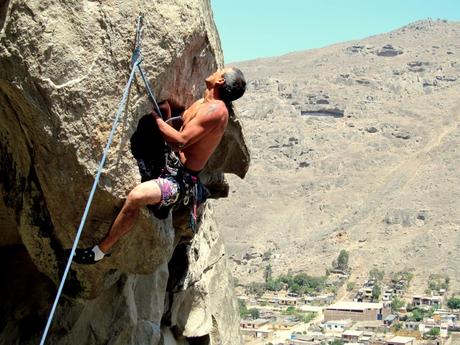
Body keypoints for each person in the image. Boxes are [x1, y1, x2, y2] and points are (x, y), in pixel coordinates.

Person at [72, 67, 246, 264]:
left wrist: (155, 117)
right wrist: (165, 112)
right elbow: (180, 126)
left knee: (137, 196)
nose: (216, 70)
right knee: (164, 108)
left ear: (221, 81)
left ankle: (99, 252)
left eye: (220, 70)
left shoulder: (217, 111)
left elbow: (180, 141)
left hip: (179, 180)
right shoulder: (204, 102)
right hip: (169, 160)